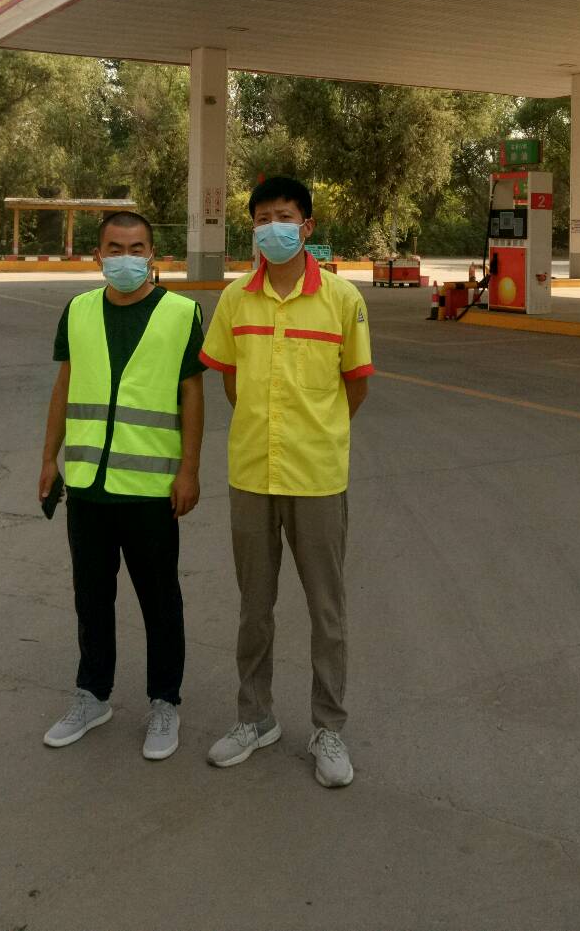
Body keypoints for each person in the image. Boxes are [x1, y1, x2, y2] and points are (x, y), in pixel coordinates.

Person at [200, 177, 373, 787]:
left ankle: (328, 727)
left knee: (327, 610)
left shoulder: (342, 300)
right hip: (252, 471)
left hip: (317, 475)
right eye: (263, 218)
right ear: (252, 228)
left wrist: (316, 431)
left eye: (284, 216)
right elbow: (230, 381)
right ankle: (255, 717)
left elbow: (355, 384)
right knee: (254, 606)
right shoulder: (234, 300)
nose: (273, 227)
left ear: (307, 227)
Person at [38, 210, 205, 760]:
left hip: (151, 489)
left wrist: (189, 469)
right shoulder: (79, 310)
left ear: (152, 255)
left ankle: (165, 702)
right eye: (115, 248)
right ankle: (92, 695)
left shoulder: (180, 312)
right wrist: (48, 458)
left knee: (160, 601)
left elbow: (192, 394)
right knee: (91, 597)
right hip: (88, 486)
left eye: (136, 249)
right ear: (98, 255)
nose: (126, 258)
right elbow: (64, 385)